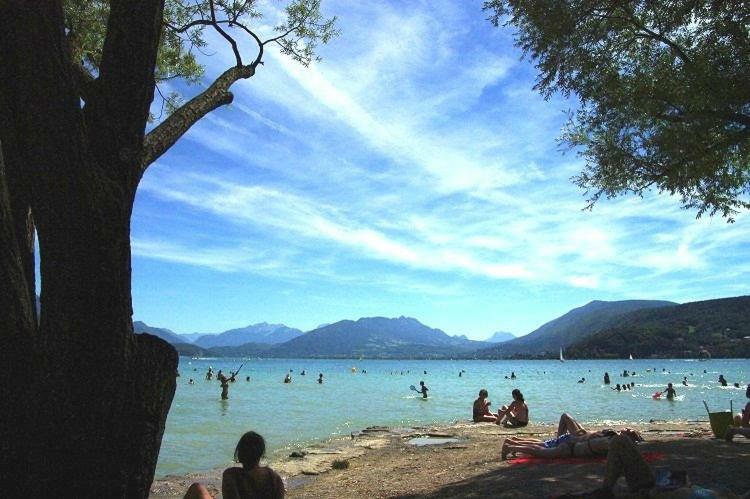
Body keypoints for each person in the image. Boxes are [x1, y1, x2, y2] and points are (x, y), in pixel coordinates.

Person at [558, 433, 750, 499]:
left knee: (619, 442)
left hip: (654, 493)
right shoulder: (730, 495)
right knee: (620, 441)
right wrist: (680, 481)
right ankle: (605, 490)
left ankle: (605, 492)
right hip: (663, 486)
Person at [184, 431, 284, 499]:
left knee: (197, 488)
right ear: (261, 453)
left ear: (240, 454)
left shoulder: (232, 475)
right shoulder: (275, 479)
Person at [501, 428, 642, 460]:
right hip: (570, 450)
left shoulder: (608, 439)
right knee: (540, 450)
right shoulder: (609, 442)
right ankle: (510, 447)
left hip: (571, 446)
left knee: (540, 447)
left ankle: (512, 446)